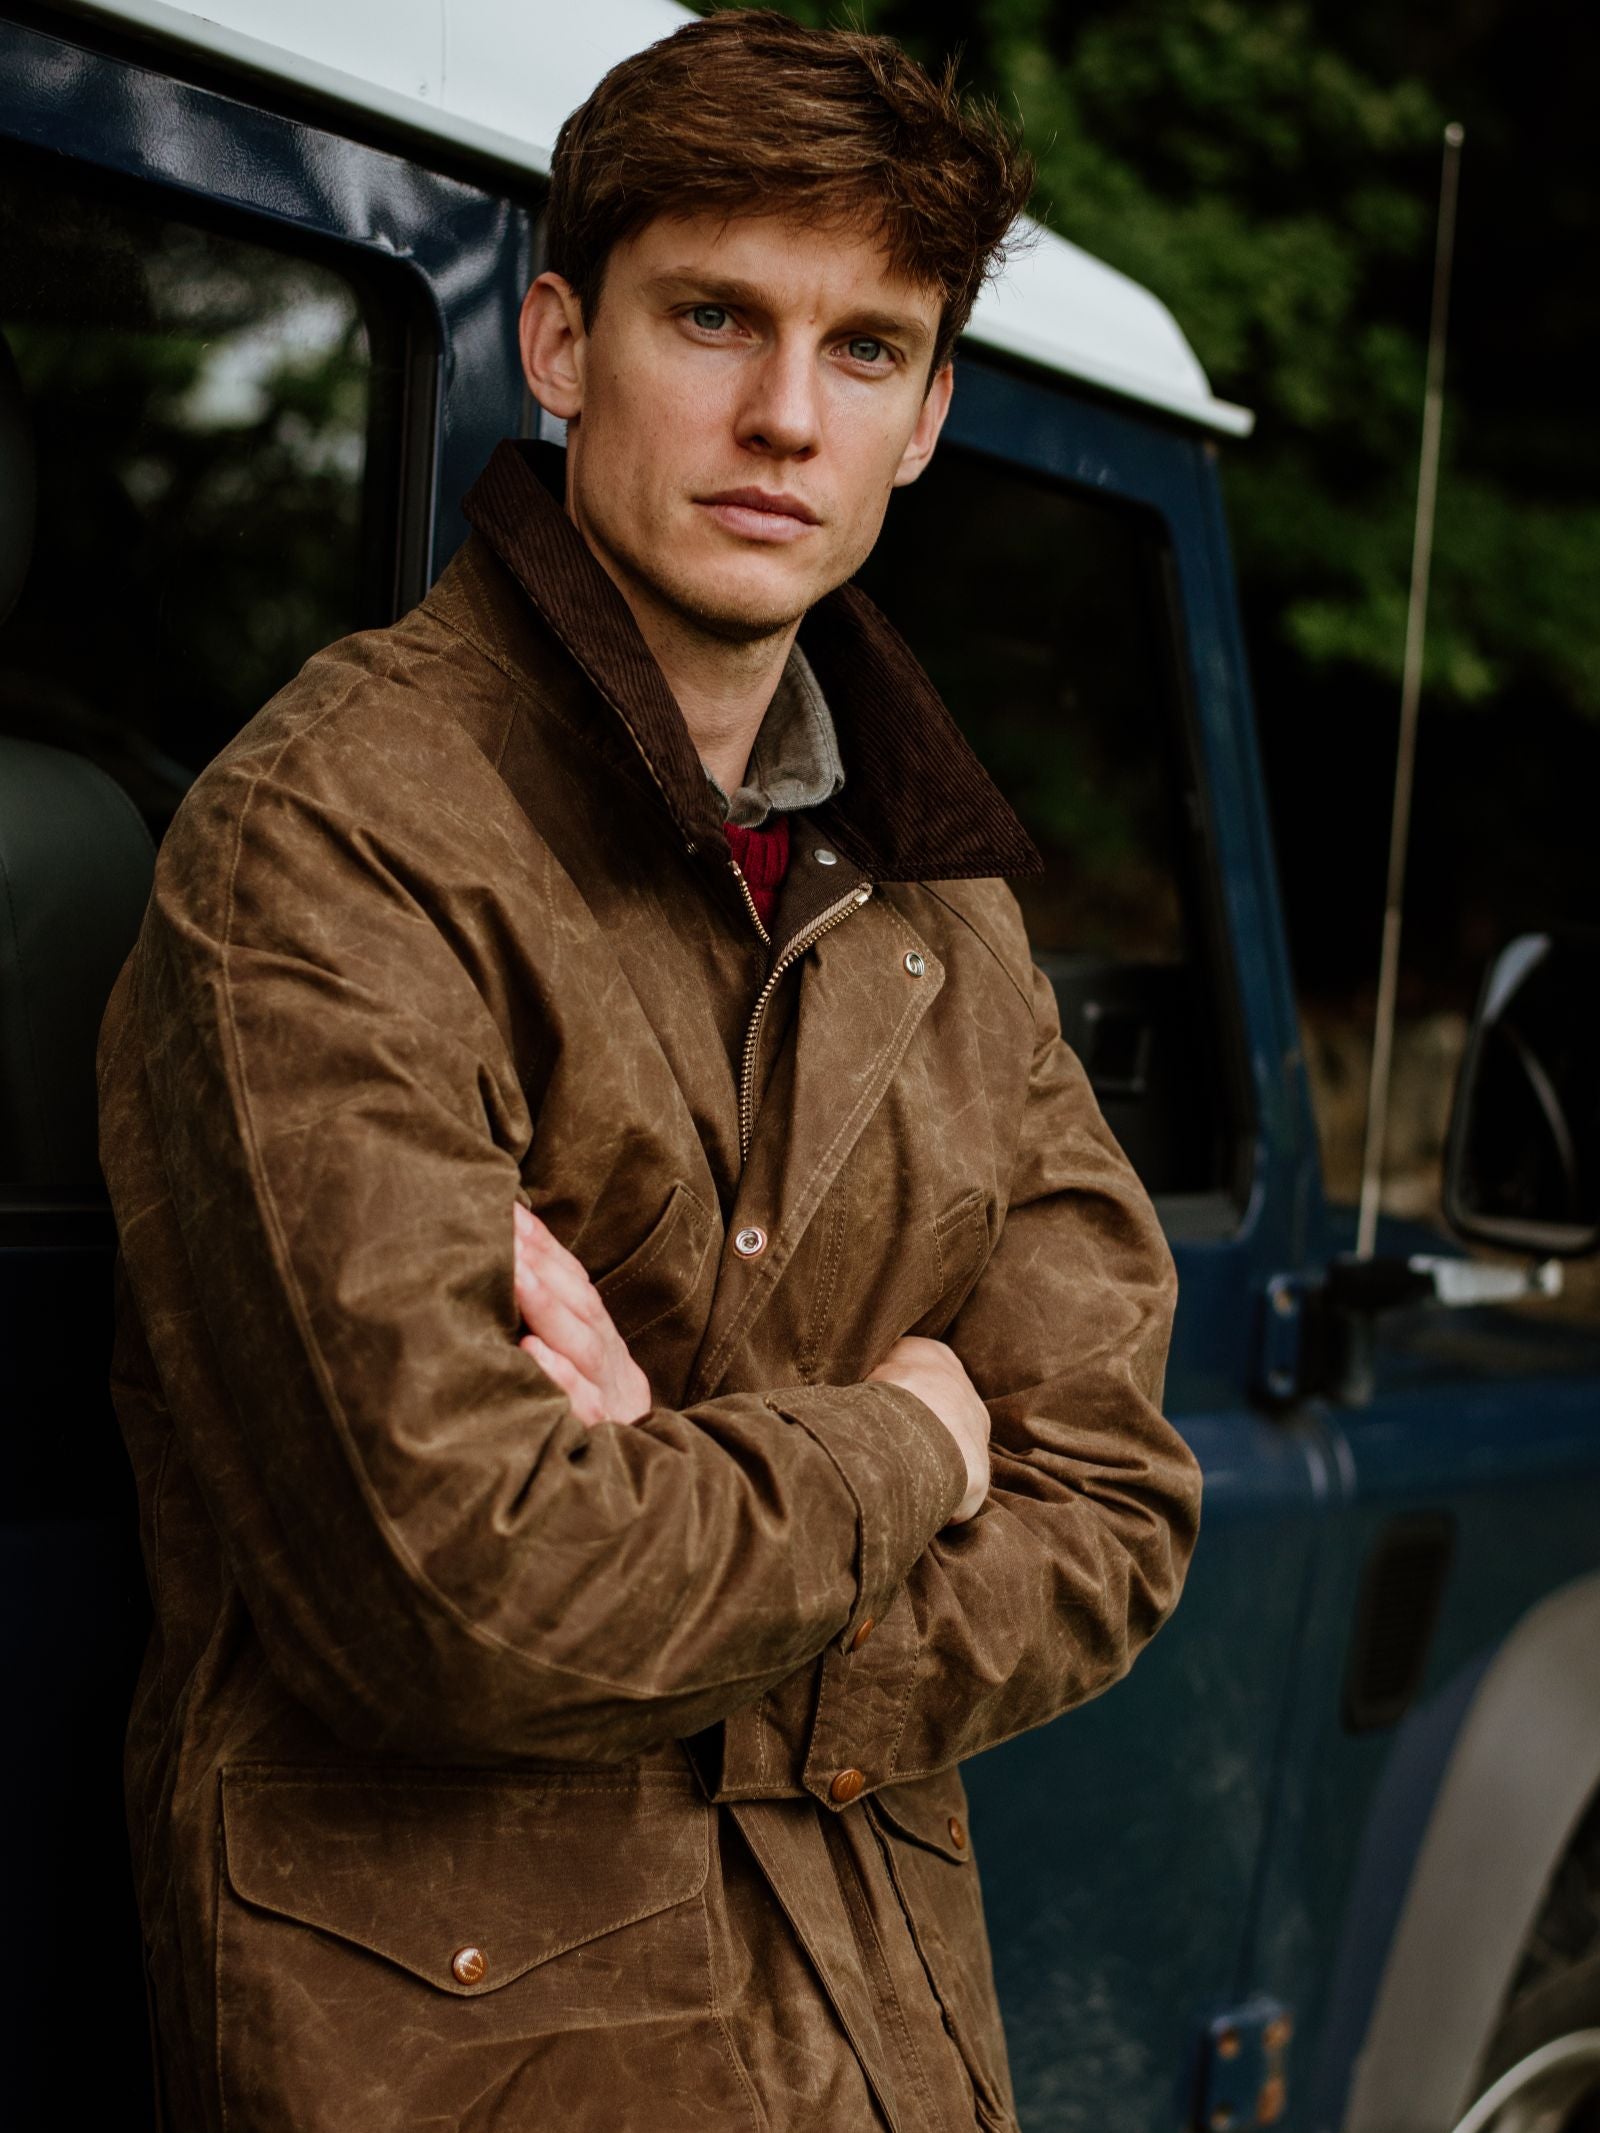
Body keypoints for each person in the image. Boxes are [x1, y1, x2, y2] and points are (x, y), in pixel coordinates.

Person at [96, 11, 1203, 2129]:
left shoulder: (936, 896)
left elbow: (1120, 1504)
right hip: (467, 2056)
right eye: (712, 314)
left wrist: (676, 1517)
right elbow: (468, 1589)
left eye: (863, 349)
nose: (783, 414)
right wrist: (902, 1445)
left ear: (928, 416)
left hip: (879, 2045)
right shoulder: (329, 842)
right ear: (559, 339)